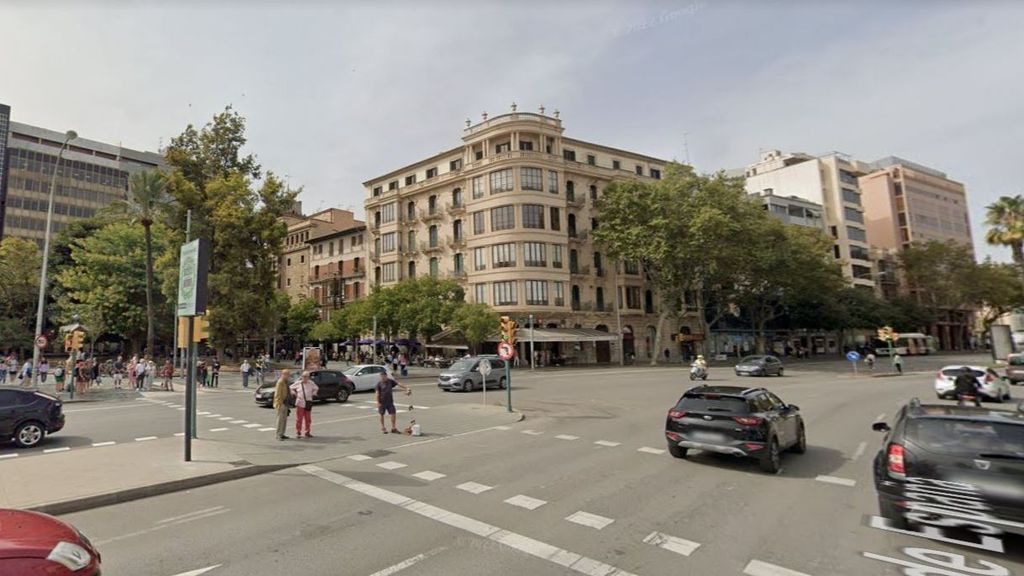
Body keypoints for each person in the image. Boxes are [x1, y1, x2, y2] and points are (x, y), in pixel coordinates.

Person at [289, 371, 318, 438]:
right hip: (300, 403)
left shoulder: (311, 383)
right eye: (303, 376)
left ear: (308, 377)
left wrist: (314, 393)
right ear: (301, 376)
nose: (304, 378)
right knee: (299, 419)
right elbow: (290, 387)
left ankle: (307, 432)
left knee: (308, 419)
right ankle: (298, 432)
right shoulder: (298, 383)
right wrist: (294, 393)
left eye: (306, 377)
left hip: (308, 403)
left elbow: (316, 388)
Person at [274, 369, 292, 440]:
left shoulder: (286, 382)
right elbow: (277, 394)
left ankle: (282, 433)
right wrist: (279, 404)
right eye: (287, 374)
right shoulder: (280, 382)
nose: (288, 376)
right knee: (280, 419)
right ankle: (278, 434)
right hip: (281, 403)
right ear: (283, 374)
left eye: (288, 374)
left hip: (286, 403)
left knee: (284, 419)